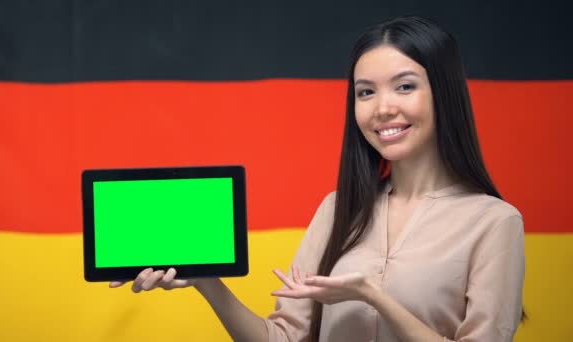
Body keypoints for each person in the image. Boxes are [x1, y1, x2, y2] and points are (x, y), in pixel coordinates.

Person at [109, 16, 525, 342]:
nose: (382, 108)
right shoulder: (337, 210)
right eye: (365, 92)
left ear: (443, 92)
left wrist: (372, 296)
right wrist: (207, 283)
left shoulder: (494, 222)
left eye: (404, 86)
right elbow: (283, 338)